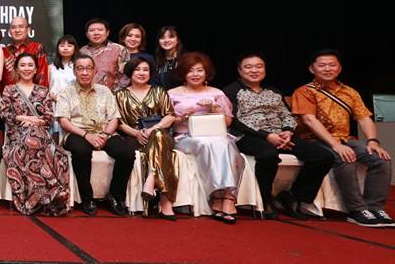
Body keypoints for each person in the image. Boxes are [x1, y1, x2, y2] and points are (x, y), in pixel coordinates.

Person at [223, 53, 334, 219]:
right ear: (240, 70)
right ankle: (265, 200)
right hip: (249, 137)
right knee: (268, 155)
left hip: (281, 136)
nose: (254, 70)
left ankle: (294, 197)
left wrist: (288, 131)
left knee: (323, 156)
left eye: (259, 66)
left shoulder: (273, 91)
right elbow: (235, 121)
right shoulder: (231, 91)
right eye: (248, 67)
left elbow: (287, 115)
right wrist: (267, 136)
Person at [291, 49, 393, 228]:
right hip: (315, 140)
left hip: (346, 139)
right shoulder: (305, 91)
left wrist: (373, 141)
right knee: (345, 157)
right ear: (312, 69)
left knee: (381, 159)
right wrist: (335, 145)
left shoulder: (349, 92)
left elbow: (364, 118)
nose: (327, 68)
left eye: (332, 65)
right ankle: (356, 210)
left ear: (339, 68)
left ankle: (375, 207)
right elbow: (309, 120)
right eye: (322, 65)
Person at [168, 52, 244, 224]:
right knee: (205, 143)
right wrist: (181, 118)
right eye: (190, 70)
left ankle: (227, 197)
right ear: (183, 73)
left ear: (206, 72)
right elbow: (167, 122)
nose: (195, 74)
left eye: (199, 70)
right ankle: (218, 195)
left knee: (224, 143)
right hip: (186, 137)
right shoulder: (172, 94)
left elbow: (227, 122)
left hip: (216, 135)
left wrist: (215, 109)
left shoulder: (216, 93)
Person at [56, 55, 135, 217]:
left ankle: (115, 195)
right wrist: (87, 135)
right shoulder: (66, 92)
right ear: (74, 71)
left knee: (127, 152)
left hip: (103, 132)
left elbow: (114, 118)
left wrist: (105, 135)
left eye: (88, 68)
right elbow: (64, 122)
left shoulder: (105, 91)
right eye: (80, 68)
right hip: (77, 132)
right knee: (81, 150)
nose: (84, 72)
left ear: (95, 71)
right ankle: (87, 198)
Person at [2, 53, 70, 216]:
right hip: (16, 137)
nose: (26, 68)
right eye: (22, 65)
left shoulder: (43, 91)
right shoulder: (9, 90)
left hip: (41, 136)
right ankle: (52, 195)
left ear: (35, 69)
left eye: (30, 65)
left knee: (36, 137)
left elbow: (49, 117)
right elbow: (5, 114)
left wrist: (32, 122)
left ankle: (41, 199)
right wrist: (29, 119)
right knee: (31, 140)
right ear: (17, 69)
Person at [114, 57, 178, 219]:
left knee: (158, 135)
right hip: (134, 137)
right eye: (137, 69)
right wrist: (136, 133)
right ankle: (165, 202)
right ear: (130, 72)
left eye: (145, 70)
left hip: (161, 134)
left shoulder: (159, 91)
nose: (141, 73)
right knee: (157, 139)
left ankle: (151, 178)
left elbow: (170, 116)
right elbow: (119, 122)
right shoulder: (120, 95)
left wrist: (152, 129)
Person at [80, 18, 130, 91]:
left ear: (107, 33)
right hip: (86, 94)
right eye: (92, 30)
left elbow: (126, 75)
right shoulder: (81, 51)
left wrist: (115, 94)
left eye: (100, 30)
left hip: (113, 95)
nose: (96, 33)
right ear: (87, 34)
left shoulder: (119, 49)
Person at [2, 17, 49, 88]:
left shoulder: (37, 48)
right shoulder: (4, 51)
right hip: (7, 93)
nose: (17, 30)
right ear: (9, 31)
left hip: (32, 93)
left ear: (28, 30)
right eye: (13, 27)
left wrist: (40, 93)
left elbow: (42, 76)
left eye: (21, 27)